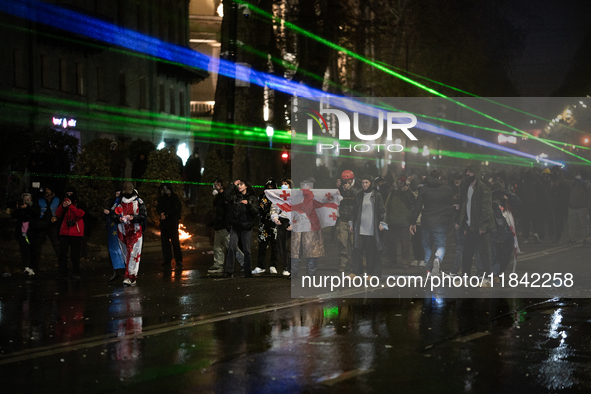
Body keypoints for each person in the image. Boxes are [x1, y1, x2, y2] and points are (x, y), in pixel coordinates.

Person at [409, 170, 455, 276]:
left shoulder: (424, 190)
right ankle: (437, 259)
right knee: (441, 245)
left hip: (426, 221)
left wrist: (412, 222)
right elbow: (450, 206)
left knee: (426, 246)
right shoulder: (447, 190)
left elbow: (418, 207)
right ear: (439, 178)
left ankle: (428, 269)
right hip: (440, 222)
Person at [456, 165, 494, 287]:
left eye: (470, 172)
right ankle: (466, 278)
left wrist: (482, 226)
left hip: (481, 227)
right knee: (467, 253)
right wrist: (465, 225)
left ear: (476, 174)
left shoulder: (482, 188)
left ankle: (487, 278)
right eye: (466, 171)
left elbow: (486, 209)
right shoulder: (466, 187)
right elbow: (464, 208)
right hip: (470, 226)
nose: (467, 174)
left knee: (484, 254)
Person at [349, 174, 387, 279]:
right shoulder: (360, 195)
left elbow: (382, 210)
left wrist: (382, 222)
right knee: (356, 250)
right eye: (363, 182)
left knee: (370, 252)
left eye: (367, 182)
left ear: (371, 183)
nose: (364, 185)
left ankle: (371, 273)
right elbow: (355, 210)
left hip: (371, 229)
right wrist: (352, 223)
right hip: (360, 228)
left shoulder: (376, 195)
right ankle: (356, 272)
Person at [110, 182, 147, 286]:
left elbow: (143, 215)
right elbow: (113, 214)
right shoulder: (118, 201)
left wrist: (132, 218)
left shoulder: (139, 201)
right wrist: (119, 219)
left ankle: (130, 277)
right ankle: (131, 275)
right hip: (122, 232)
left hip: (135, 232)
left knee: (133, 254)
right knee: (126, 255)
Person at [223, 179, 258, 278]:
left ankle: (247, 271)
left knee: (247, 250)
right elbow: (225, 196)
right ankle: (229, 271)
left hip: (247, 226)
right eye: (238, 185)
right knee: (231, 247)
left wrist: (248, 205)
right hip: (236, 225)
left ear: (246, 186)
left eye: (241, 184)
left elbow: (255, 212)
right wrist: (232, 185)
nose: (239, 186)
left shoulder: (252, 198)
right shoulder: (234, 197)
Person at [55, 187, 85, 282]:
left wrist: (71, 206)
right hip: (65, 231)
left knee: (75, 254)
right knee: (62, 253)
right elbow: (58, 214)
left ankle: (76, 272)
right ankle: (62, 272)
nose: (69, 195)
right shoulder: (63, 202)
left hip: (76, 232)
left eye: (71, 193)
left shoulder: (80, 203)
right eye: (67, 193)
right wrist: (63, 206)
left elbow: (80, 214)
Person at [490, 183, 519, 281]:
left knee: (506, 255)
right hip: (497, 232)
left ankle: (499, 272)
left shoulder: (508, 203)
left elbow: (518, 201)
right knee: (496, 254)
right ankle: (495, 274)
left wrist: (507, 192)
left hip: (509, 233)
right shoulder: (492, 204)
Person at [385, 177, 415, 267]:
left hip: (403, 222)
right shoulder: (393, 193)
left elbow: (413, 202)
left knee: (404, 243)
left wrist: (408, 191)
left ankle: (403, 260)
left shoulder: (407, 193)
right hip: (394, 221)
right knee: (392, 243)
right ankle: (394, 260)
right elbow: (387, 206)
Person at [30, 185, 61, 272]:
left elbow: (61, 212)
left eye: (48, 189)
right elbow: (35, 212)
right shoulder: (39, 200)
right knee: (37, 247)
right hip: (42, 225)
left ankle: (62, 266)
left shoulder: (57, 200)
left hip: (53, 226)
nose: (46, 191)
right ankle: (34, 267)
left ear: (52, 190)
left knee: (57, 246)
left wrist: (56, 218)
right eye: (45, 189)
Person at [335, 170, 360, 273]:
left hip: (355, 220)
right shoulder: (341, 187)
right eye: (344, 180)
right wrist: (337, 188)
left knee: (355, 243)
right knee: (342, 241)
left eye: (348, 180)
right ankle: (342, 263)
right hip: (343, 219)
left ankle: (355, 265)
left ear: (352, 180)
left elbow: (360, 196)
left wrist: (351, 190)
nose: (346, 183)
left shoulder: (357, 186)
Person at [253, 178, 279, 274]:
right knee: (262, 245)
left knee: (274, 246)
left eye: (272, 187)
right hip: (263, 224)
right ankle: (260, 266)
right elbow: (258, 209)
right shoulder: (261, 197)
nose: (269, 189)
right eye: (268, 187)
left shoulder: (278, 198)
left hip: (274, 225)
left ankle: (273, 265)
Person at [157, 184, 183, 269]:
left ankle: (178, 260)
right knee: (165, 243)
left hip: (172, 223)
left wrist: (166, 215)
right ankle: (167, 259)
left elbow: (176, 209)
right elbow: (158, 207)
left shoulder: (174, 198)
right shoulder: (161, 199)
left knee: (175, 242)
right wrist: (161, 213)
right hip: (164, 223)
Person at [271, 178, 293, 277]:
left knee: (289, 246)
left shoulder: (295, 197)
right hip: (281, 221)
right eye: (282, 184)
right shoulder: (278, 196)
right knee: (281, 246)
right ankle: (286, 266)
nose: (284, 185)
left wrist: (294, 223)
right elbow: (274, 207)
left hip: (290, 222)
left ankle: (291, 267)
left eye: (286, 184)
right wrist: (275, 217)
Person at [208, 179, 230, 273]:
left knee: (231, 247)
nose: (215, 187)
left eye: (216, 185)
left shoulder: (226, 196)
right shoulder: (218, 198)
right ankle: (218, 265)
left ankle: (244, 262)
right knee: (217, 247)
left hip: (224, 226)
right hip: (218, 225)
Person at [104, 190, 125, 281]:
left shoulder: (124, 202)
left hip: (121, 229)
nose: (117, 194)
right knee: (112, 250)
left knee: (122, 250)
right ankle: (115, 271)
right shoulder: (112, 202)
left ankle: (125, 272)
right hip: (112, 229)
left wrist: (111, 214)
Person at [11, 193, 34, 275]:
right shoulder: (20, 209)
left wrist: (27, 208)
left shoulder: (33, 207)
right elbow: (13, 215)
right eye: (24, 200)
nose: (26, 201)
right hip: (22, 232)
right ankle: (26, 267)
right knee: (24, 250)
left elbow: (34, 213)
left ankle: (32, 266)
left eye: (28, 199)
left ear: (31, 199)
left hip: (31, 232)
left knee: (32, 250)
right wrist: (17, 208)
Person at [567, 171, 589, 245]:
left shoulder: (585, 184)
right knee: (573, 225)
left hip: (579, 207)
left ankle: (584, 239)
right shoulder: (575, 183)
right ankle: (573, 238)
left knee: (581, 225)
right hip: (576, 207)